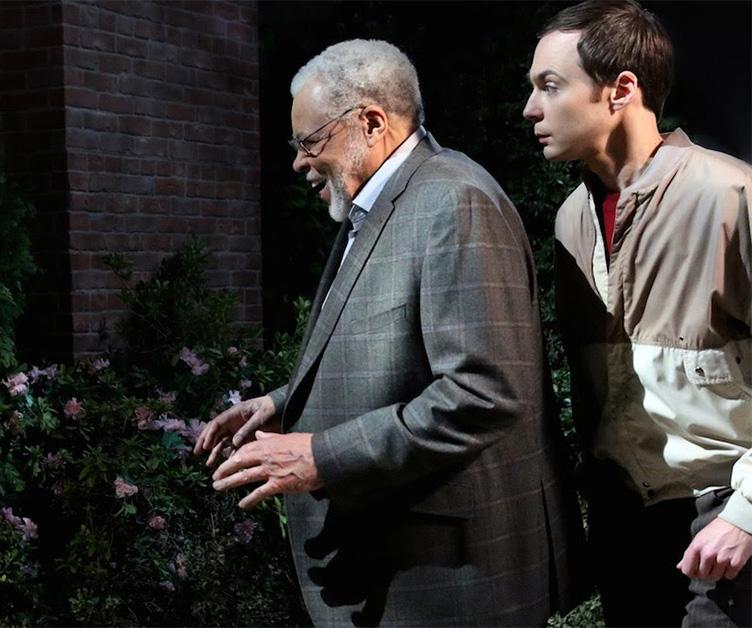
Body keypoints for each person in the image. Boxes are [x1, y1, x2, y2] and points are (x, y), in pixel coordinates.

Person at [195, 39, 583, 625]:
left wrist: (322, 454)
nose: (299, 162)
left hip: (448, 584)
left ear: (372, 122)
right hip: (402, 574)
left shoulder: (455, 201)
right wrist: (284, 406)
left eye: (310, 141)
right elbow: (391, 358)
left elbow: (484, 393)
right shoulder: (384, 203)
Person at [523, 1, 752, 625]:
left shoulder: (730, 195)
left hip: (726, 517)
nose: (531, 110)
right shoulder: (571, 220)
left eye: (550, 86)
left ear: (621, 90)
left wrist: (746, 514)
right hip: (627, 517)